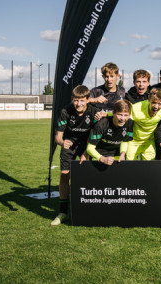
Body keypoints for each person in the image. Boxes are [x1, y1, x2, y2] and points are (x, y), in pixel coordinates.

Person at [51, 85, 98, 226]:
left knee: (87, 174)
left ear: (88, 100)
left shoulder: (93, 112)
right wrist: (62, 142)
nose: (79, 104)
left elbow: (93, 136)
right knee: (65, 174)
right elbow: (57, 137)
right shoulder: (66, 111)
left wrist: (86, 153)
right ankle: (63, 212)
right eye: (76, 100)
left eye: (82, 100)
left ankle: (88, 208)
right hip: (69, 144)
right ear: (72, 99)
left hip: (86, 145)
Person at [85, 99, 134, 165]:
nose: (122, 118)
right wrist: (102, 158)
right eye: (120, 114)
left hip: (116, 156)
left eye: (125, 115)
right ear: (113, 113)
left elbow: (125, 141)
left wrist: (122, 154)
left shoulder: (129, 123)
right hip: (98, 156)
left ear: (129, 115)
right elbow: (90, 148)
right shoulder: (101, 124)